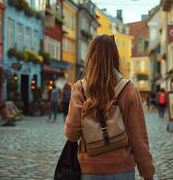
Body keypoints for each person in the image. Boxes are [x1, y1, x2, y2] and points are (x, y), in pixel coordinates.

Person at [64, 35, 155, 180]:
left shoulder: (79, 89)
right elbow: (139, 138)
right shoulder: (129, 89)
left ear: (90, 56)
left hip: (90, 170)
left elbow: (72, 134)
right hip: (122, 169)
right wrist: (148, 173)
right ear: (115, 56)